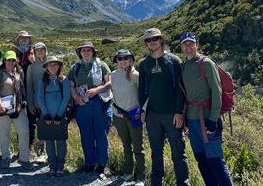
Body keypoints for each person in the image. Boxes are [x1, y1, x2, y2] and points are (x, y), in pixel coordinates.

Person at [180, 32, 233, 186]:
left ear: (197, 44)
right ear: (181, 46)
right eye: (185, 44)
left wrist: (213, 120)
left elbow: (217, 92)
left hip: (208, 119)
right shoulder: (184, 67)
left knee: (215, 161)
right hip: (193, 120)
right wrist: (186, 120)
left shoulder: (206, 63)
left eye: (191, 43)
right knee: (201, 161)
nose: (188, 46)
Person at [138, 28, 189, 186]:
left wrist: (179, 112)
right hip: (152, 115)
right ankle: (156, 182)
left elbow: (180, 90)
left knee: (178, 152)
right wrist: (143, 110)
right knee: (156, 151)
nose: (152, 42)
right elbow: (142, 90)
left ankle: (183, 182)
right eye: (148, 40)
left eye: (155, 39)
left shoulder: (174, 61)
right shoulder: (144, 63)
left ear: (161, 40)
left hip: (172, 114)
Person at [67, 41, 113, 175]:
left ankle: (103, 164)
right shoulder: (75, 67)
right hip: (82, 104)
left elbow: (109, 82)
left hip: (100, 102)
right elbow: (70, 84)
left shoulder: (102, 65)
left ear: (93, 52)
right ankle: (89, 163)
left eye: (89, 50)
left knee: (101, 134)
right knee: (86, 135)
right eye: (83, 50)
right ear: (80, 52)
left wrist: (97, 90)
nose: (86, 52)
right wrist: (76, 97)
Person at [0, 50, 33, 170]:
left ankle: (24, 159)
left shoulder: (19, 72)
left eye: (13, 60)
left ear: (16, 61)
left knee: (24, 131)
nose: (11, 62)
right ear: (4, 61)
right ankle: (6, 157)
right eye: (8, 60)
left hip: (18, 107)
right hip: (2, 108)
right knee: (4, 134)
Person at [111, 49, 145, 184]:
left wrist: (141, 112)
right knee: (126, 145)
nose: (123, 61)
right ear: (117, 61)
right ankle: (128, 172)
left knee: (138, 147)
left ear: (131, 60)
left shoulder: (136, 75)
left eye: (126, 58)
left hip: (134, 115)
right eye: (120, 59)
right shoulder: (113, 75)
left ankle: (141, 176)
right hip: (118, 116)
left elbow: (143, 95)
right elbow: (114, 93)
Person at [37, 56, 70, 177]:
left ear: (59, 66)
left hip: (59, 116)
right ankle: (52, 166)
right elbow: (39, 97)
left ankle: (60, 166)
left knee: (61, 141)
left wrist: (59, 115)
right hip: (46, 116)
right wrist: (45, 113)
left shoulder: (64, 80)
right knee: (49, 141)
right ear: (46, 67)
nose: (53, 66)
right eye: (50, 64)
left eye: (55, 64)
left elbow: (66, 97)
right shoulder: (43, 80)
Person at [26, 42, 48, 159]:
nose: (40, 52)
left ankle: (42, 149)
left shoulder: (51, 63)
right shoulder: (31, 67)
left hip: (48, 101)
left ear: (45, 50)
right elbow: (29, 87)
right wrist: (30, 103)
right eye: (37, 50)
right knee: (33, 124)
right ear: (34, 52)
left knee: (44, 124)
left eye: (42, 49)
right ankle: (31, 148)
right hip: (35, 101)